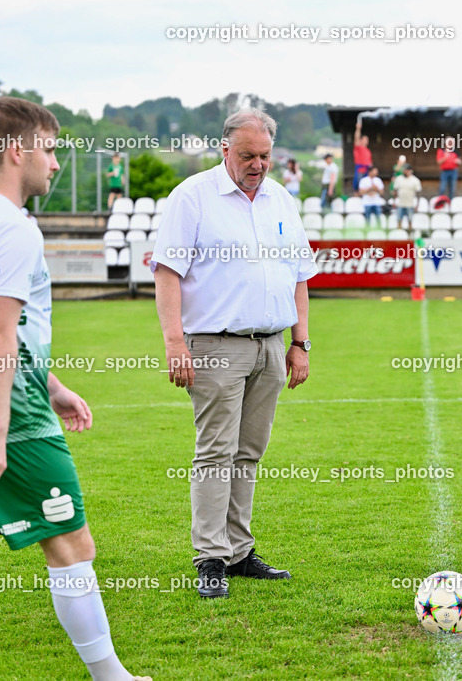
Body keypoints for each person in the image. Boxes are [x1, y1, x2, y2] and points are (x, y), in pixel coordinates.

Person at [0, 97, 149, 681]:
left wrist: (54, 384)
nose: (56, 163)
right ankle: (113, 680)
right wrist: (0, 428)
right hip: (9, 419)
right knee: (72, 547)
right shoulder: (12, 229)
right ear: (17, 150)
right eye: (49, 149)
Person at [152, 108, 318, 599]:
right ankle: (210, 557)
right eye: (248, 155)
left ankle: (240, 551)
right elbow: (167, 273)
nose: (258, 164)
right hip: (215, 345)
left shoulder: (281, 199)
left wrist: (299, 343)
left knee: (248, 453)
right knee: (215, 453)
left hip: (270, 345)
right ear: (224, 148)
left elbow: (300, 276)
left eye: (265, 155)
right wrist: (175, 343)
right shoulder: (192, 197)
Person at [392, 164, 422, 230]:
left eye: (406, 170)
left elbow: (418, 193)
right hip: (400, 204)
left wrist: (417, 204)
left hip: (410, 204)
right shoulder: (398, 179)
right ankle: (399, 235)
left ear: (410, 171)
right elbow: (395, 191)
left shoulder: (415, 180)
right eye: (404, 170)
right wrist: (394, 201)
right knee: (399, 220)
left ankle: (409, 236)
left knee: (410, 220)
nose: (405, 171)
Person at [352, 121, 372, 194]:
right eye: (365, 139)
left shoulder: (368, 151)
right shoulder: (358, 147)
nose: (366, 140)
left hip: (367, 169)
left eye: (367, 139)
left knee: (366, 184)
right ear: (361, 140)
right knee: (358, 183)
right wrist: (358, 129)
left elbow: (370, 162)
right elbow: (356, 137)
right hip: (360, 168)